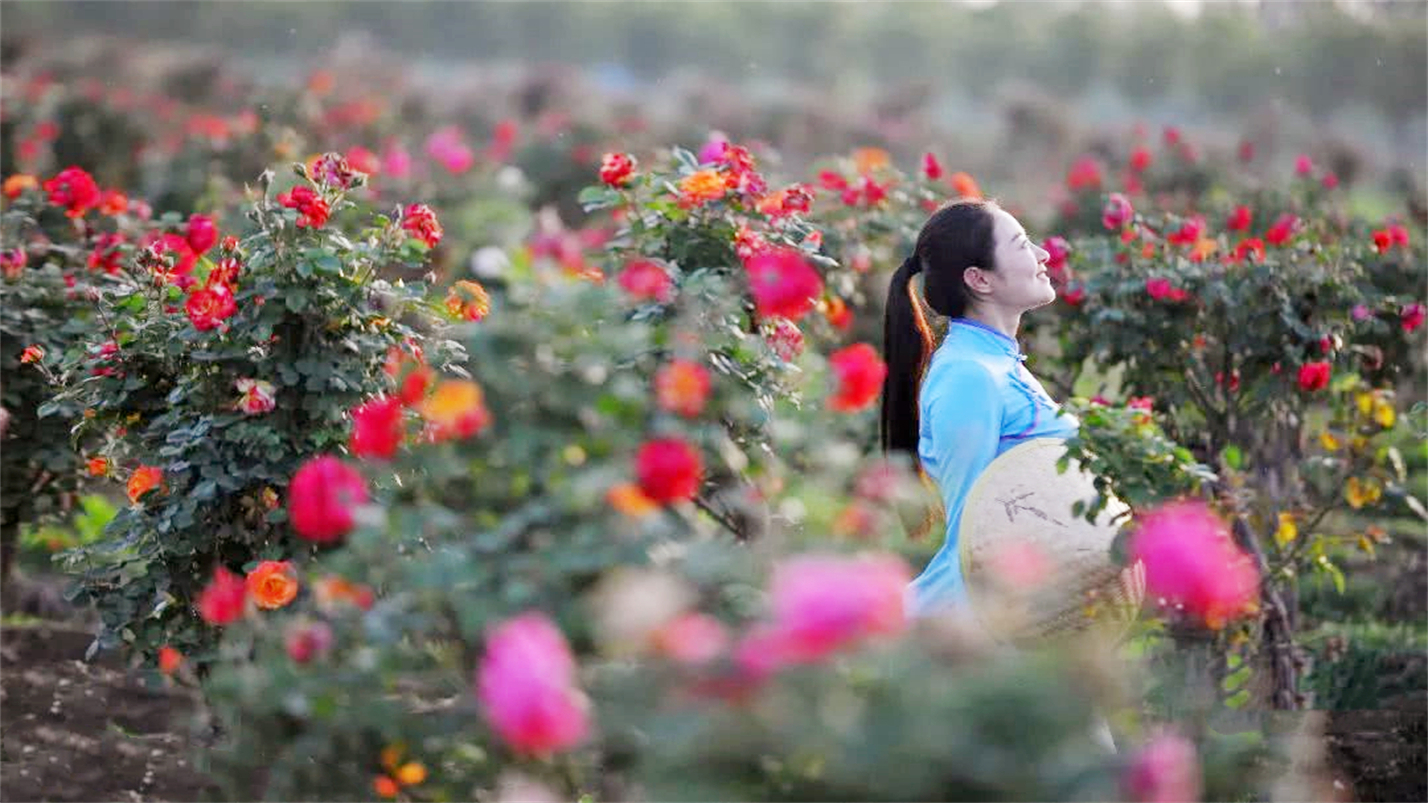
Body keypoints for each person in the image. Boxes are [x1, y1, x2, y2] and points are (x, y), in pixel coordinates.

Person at [880, 197, 1118, 753]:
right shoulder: (968, 376)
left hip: (1031, 614)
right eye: (1020, 245)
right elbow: (975, 532)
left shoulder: (998, 365)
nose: (1041, 255)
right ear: (979, 279)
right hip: (1000, 625)